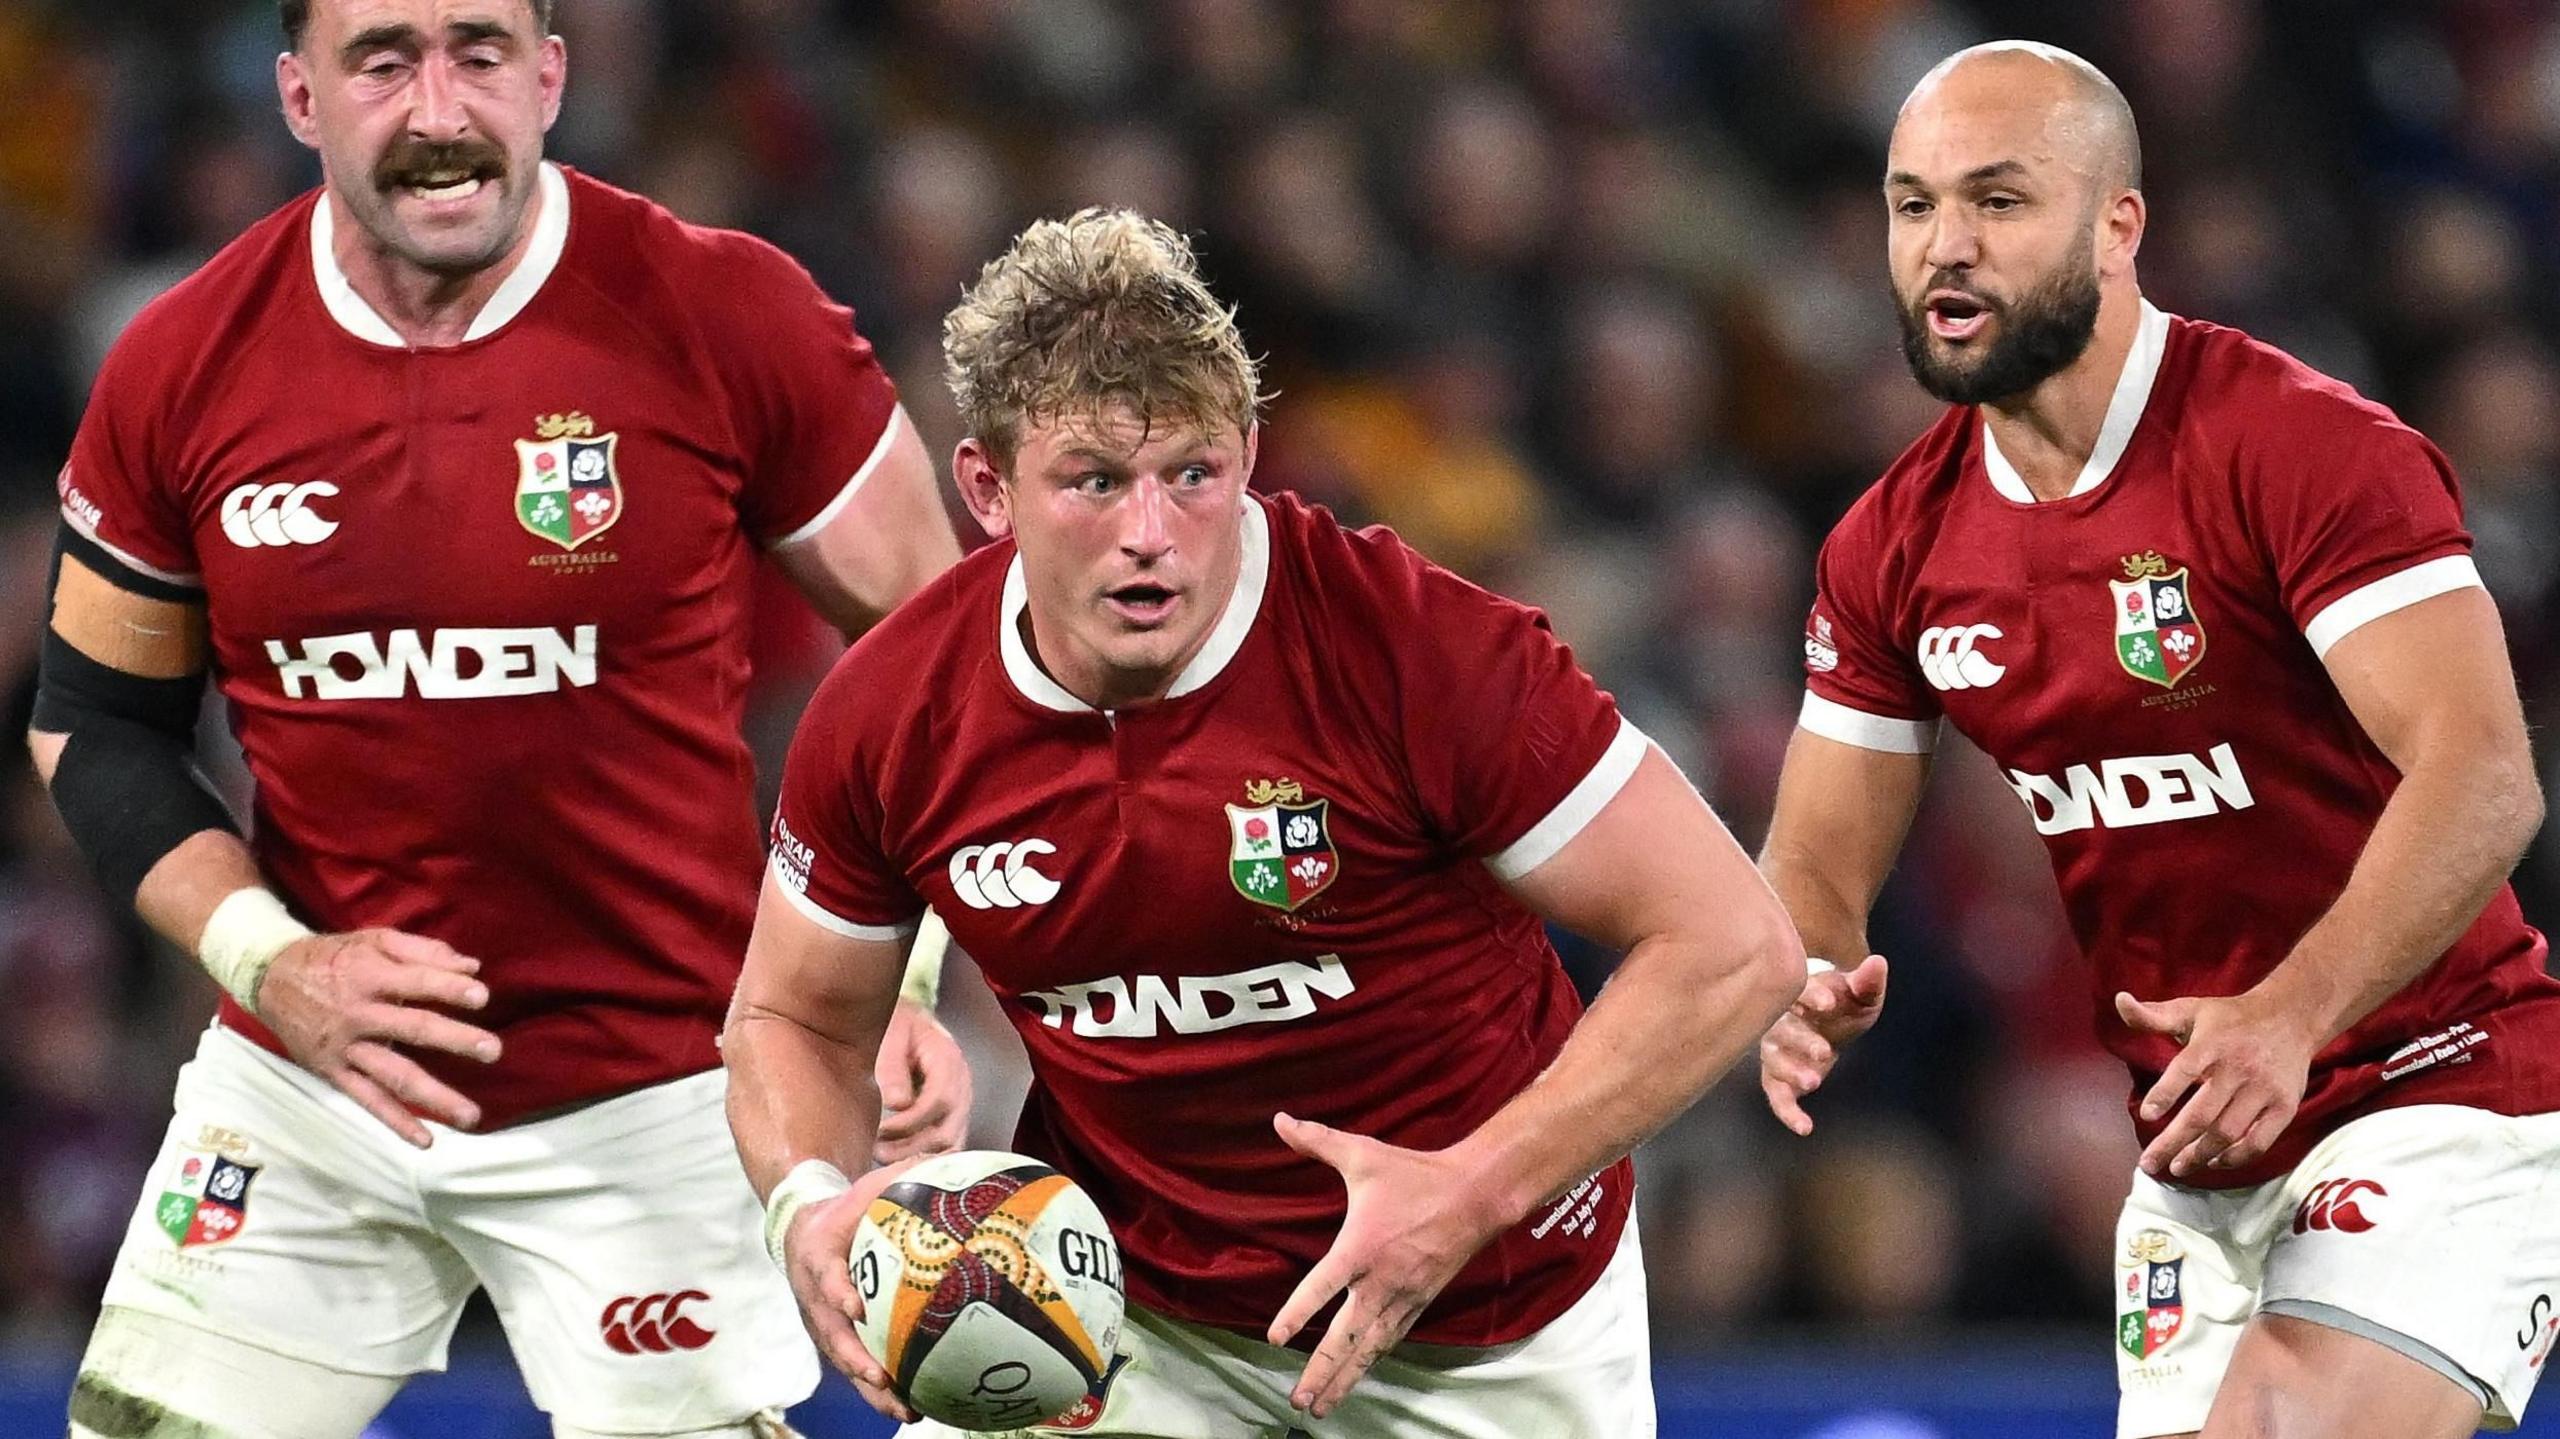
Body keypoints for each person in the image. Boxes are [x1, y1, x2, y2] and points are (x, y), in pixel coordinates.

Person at [28, 2, 976, 1435]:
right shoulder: (183, 363)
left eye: (478, 51)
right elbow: (94, 722)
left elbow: (950, 663)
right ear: (299, 96)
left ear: (550, 75)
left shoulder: (723, 313)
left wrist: (892, 994)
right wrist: (277, 965)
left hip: (662, 1084)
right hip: (311, 1086)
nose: (437, 111)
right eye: (382, 60)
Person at [724, 207, 1807, 1438]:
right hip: (1127, 1320)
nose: (1151, 534)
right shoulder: (894, 710)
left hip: (1477, 1327)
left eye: (1190, 472)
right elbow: (792, 1013)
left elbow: (1735, 944)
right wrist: (807, 1201)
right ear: (986, 487)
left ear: (1247, 450)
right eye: (1091, 480)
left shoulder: (1414, 650)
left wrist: (1469, 1187)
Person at [1756, 40, 2560, 1439]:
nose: (1945, 246)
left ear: (2118, 225)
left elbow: (2486, 773)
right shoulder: (1891, 544)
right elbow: (1815, 858)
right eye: (1911, 204)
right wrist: (1803, 976)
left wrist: (2293, 1014)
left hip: (2439, 1084)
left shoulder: (2298, 447)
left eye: (1998, 201)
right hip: (2199, 1146)